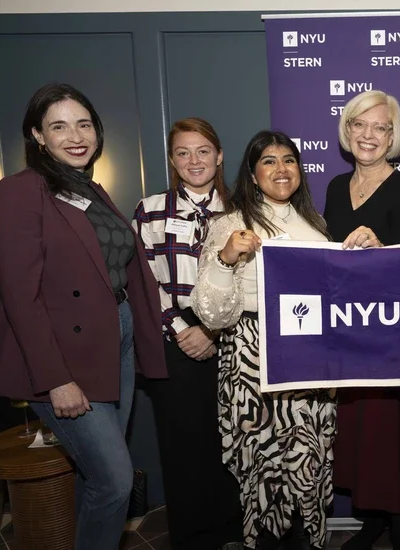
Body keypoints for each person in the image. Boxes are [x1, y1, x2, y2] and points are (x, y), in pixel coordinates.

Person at [0, 83, 166, 550]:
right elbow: (21, 297)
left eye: (83, 124)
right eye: (58, 126)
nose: (75, 135)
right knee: (115, 480)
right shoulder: (20, 191)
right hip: (63, 356)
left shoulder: (89, 189)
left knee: (96, 478)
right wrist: (55, 379)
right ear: (37, 135)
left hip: (114, 343)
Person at [190, 130, 336, 550]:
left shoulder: (317, 226)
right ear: (252, 175)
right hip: (255, 358)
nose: (281, 169)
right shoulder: (229, 226)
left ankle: (308, 541)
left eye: (288, 159)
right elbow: (211, 313)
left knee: (307, 458)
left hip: (310, 358)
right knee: (263, 461)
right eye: (269, 161)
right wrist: (225, 258)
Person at [132, 117, 244, 549]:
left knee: (231, 437)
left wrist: (212, 330)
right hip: (174, 339)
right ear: (173, 161)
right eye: (183, 153)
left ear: (218, 156)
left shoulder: (242, 209)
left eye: (202, 151)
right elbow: (143, 280)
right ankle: (193, 537)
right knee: (183, 444)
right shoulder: (151, 209)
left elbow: (249, 280)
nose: (193, 161)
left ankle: (234, 528)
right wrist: (183, 328)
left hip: (231, 338)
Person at [323, 90, 400, 550]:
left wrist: (381, 250)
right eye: (360, 124)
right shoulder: (332, 188)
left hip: (387, 334)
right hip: (345, 330)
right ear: (347, 131)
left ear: (393, 137)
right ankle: (375, 519)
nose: (369, 135)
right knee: (356, 431)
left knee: (384, 430)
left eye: (381, 127)